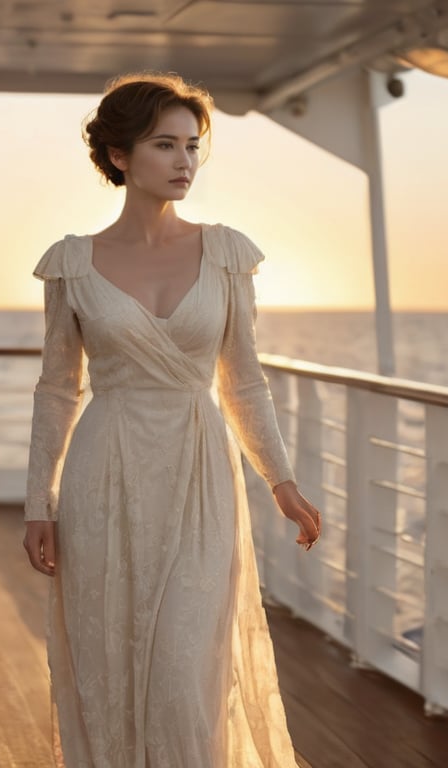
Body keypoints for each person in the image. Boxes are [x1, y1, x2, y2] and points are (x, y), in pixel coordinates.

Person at [23, 72, 323, 767]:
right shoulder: (72, 263)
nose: (186, 161)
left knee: (187, 672)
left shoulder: (225, 253)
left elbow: (242, 379)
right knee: (108, 661)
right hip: (105, 476)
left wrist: (281, 480)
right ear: (120, 156)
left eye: (193, 146)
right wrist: (38, 500)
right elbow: (56, 388)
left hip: (198, 475)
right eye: (166, 145)